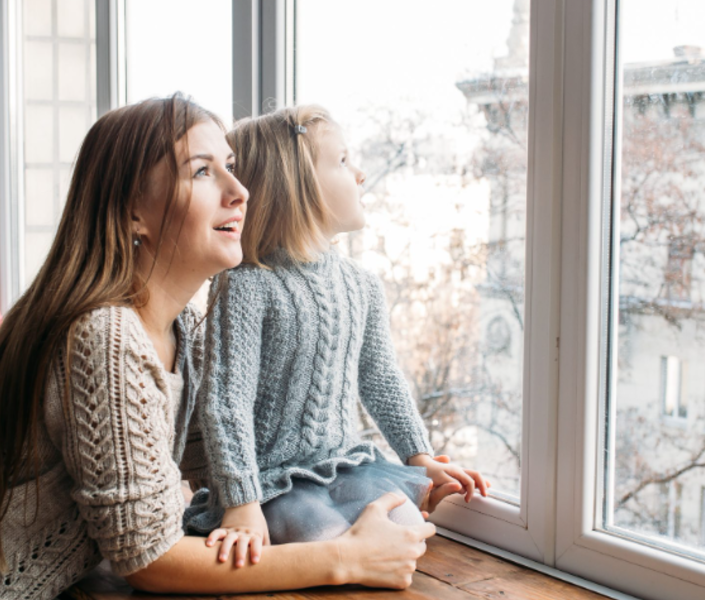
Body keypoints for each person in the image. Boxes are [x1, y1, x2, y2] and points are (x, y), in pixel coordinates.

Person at [0, 95, 435, 600]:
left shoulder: (180, 329)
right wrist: (346, 556)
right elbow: (150, 559)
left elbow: (237, 442)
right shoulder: (108, 337)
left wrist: (414, 463)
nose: (240, 191)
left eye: (231, 167)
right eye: (202, 172)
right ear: (133, 211)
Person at [190, 105, 489, 568]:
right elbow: (226, 402)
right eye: (344, 161)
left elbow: (380, 376)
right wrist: (241, 500)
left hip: (342, 465)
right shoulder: (248, 284)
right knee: (319, 535)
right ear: (298, 183)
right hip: (269, 479)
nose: (362, 174)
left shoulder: (362, 284)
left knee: (406, 527)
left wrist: (420, 454)